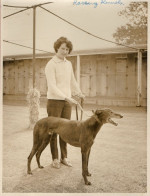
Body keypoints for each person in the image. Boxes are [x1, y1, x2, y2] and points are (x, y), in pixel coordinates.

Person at [45, 37, 84, 169]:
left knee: (66, 131)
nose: (65, 51)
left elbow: (72, 81)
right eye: (62, 48)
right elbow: (52, 86)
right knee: (53, 131)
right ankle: (55, 159)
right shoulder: (51, 64)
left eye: (67, 49)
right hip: (54, 102)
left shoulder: (68, 64)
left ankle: (64, 158)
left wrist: (79, 92)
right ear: (57, 48)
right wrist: (67, 97)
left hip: (67, 102)